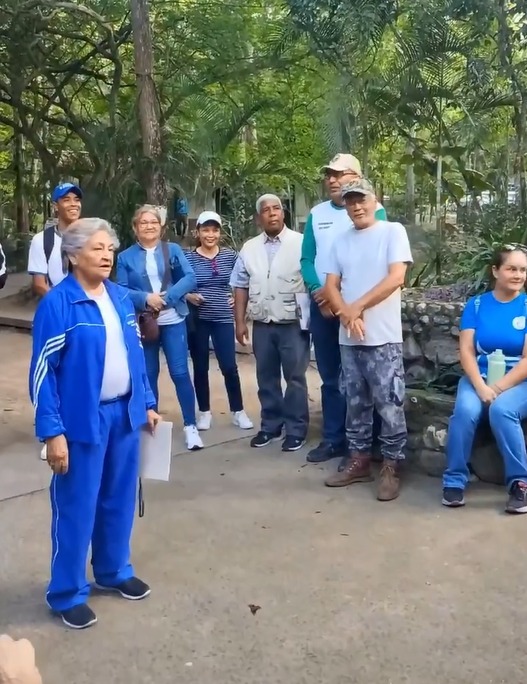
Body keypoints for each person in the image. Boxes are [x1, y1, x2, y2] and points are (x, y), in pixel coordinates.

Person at [29, 217, 160, 630]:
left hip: (124, 414)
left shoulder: (119, 297)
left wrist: (147, 402)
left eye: (110, 249)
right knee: (77, 507)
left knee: (119, 498)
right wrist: (52, 431)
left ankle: (113, 570)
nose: (106, 256)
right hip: (81, 421)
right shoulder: (58, 304)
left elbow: (134, 355)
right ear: (73, 255)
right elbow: (43, 373)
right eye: (97, 248)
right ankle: (67, 592)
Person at [324, 179, 413, 501]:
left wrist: (356, 307)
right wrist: (346, 314)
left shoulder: (392, 232)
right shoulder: (340, 240)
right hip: (349, 338)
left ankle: (392, 465)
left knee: (389, 404)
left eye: (361, 199)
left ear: (375, 201)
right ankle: (359, 460)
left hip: (383, 337)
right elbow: (331, 285)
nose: (357, 206)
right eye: (350, 201)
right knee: (355, 402)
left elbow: (396, 277)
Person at [301, 154, 387, 469]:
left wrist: (354, 303)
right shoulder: (317, 213)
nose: (333, 180)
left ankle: (365, 444)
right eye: (329, 175)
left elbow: (378, 261)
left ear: (357, 177)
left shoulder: (374, 209)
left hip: (359, 307)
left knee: (364, 377)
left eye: (340, 174)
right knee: (329, 376)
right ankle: (333, 438)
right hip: (323, 306)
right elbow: (307, 259)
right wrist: (319, 292)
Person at [442, 246, 527, 513]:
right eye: (511, 269)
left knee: (502, 410)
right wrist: (480, 386)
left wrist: (498, 388)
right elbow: (466, 350)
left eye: (523, 270)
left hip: (519, 380)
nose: (518, 275)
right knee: (465, 411)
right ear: (495, 271)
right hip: (479, 376)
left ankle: (520, 484)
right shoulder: (477, 305)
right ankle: (454, 480)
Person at [116, 204, 203, 451]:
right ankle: (150, 428)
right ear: (135, 228)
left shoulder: (172, 250)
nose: (149, 226)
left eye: (153, 222)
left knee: (180, 372)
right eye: (143, 222)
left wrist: (168, 298)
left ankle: (191, 426)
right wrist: (146, 298)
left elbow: (190, 277)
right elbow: (121, 290)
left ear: (161, 227)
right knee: (148, 374)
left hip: (173, 319)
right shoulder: (124, 257)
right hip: (146, 323)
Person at [230, 194, 310, 452]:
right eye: (266, 210)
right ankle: (271, 426)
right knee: (266, 377)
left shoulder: (301, 243)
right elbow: (240, 284)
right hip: (262, 323)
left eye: (277, 208)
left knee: (295, 378)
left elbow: (314, 281)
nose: (272, 213)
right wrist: (239, 322)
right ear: (259, 218)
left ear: (283, 213)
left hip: (292, 323)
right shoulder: (249, 247)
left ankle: (296, 430)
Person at [185, 210, 253, 431]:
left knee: (229, 366)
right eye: (205, 230)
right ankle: (204, 412)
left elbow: (242, 281)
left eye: (214, 230)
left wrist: (236, 298)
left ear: (219, 233)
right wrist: (189, 296)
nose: (210, 235)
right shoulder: (188, 258)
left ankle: (238, 411)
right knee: (200, 366)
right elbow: (177, 285)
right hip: (198, 319)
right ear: (198, 232)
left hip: (223, 317)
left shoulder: (230, 256)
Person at [27, 182, 82, 296]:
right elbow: (39, 284)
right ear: (55, 206)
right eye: (67, 200)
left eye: (76, 200)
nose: (73, 204)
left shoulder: (91, 237)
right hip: (57, 301)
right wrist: (61, 302)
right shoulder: (41, 240)